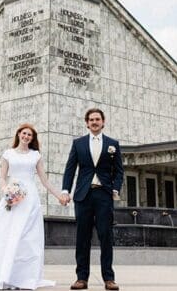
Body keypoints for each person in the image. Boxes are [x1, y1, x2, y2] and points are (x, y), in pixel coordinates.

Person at [0, 124, 65, 290]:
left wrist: (59, 196)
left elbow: (44, 180)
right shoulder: (8, 154)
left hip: (30, 200)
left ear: (32, 139)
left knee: (27, 237)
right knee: (6, 233)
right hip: (12, 199)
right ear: (19, 134)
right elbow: (2, 178)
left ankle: (23, 277)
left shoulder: (36, 156)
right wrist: (6, 191)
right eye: (24, 133)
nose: (26, 136)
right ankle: (2, 275)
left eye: (30, 135)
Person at [60, 108, 124, 291]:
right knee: (82, 238)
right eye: (91, 119)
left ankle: (109, 279)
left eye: (97, 119)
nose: (94, 122)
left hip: (104, 195)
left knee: (106, 236)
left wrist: (115, 189)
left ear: (103, 122)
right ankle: (81, 278)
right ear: (87, 123)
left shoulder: (113, 144)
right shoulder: (78, 143)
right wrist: (65, 190)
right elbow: (70, 169)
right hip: (83, 195)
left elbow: (119, 171)